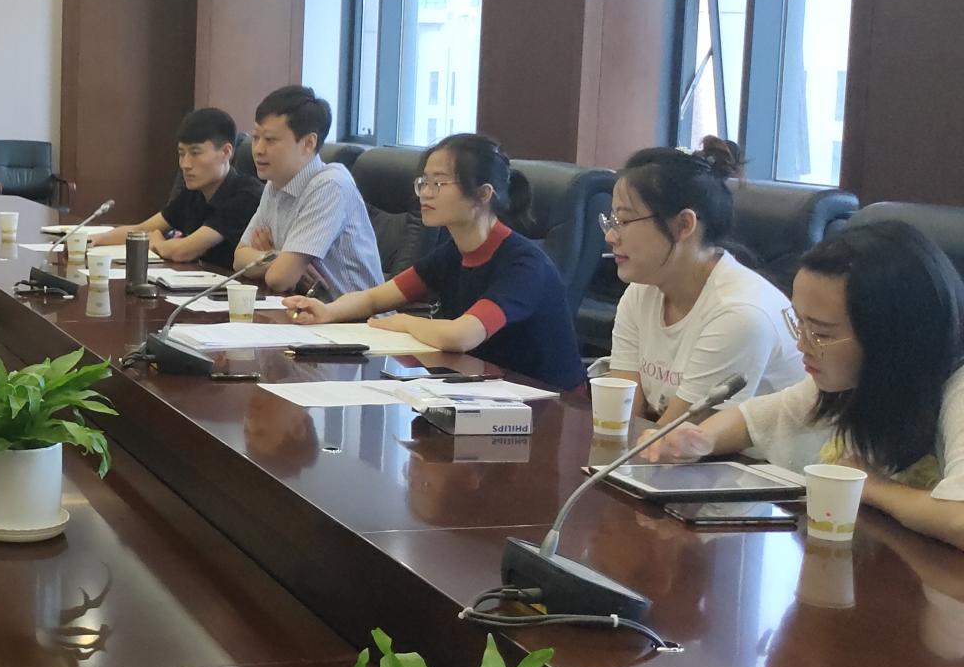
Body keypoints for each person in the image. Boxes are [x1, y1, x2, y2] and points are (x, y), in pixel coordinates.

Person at [652, 221, 964, 551]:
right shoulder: (853, 378)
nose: (802, 343)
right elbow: (754, 419)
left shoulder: (956, 388)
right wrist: (701, 439)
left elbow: (958, 521)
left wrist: (873, 487)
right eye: (798, 322)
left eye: (821, 333)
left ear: (892, 336)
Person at [282, 133, 587, 390]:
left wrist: (403, 322)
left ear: (483, 194)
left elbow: (460, 336)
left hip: (550, 404)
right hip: (485, 389)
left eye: (438, 184)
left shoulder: (524, 265)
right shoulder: (455, 252)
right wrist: (327, 312)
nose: (425, 194)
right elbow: (375, 298)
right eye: (423, 182)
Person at [603, 137, 805, 424]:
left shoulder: (739, 315)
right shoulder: (641, 292)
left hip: (759, 454)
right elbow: (621, 421)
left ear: (684, 225)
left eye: (624, 221)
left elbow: (671, 438)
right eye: (611, 221)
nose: (611, 236)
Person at [229, 85, 382, 296]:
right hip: (304, 307)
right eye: (256, 138)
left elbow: (279, 279)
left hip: (355, 314)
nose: (258, 149)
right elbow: (239, 259)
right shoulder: (275, 184)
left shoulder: (330, 186)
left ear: (309, 143)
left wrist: (271, 261)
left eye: (270, 140)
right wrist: (278, 257)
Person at [90, 107, 264, 269]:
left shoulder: (246, 195)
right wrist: (95, 239)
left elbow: (184, 251)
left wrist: (156, 243)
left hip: (234, 288)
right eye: (182, 154)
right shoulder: (194, 193)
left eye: (195, 153)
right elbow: (141, 230)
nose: (185, 164)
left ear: (226, 152)